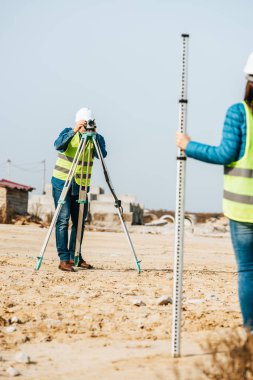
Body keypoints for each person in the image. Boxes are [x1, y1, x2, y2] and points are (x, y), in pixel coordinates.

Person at [176, 53, 253, 331]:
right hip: (242, 210)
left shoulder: (239, 113)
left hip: (242, 209)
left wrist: (188, 145)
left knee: (248, 270)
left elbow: (225, 153)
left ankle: (251, 331)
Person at [51, 107, 107, 272]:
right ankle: (64, 259)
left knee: (80, 222)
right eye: (84, 123)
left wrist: (94, 137)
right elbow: (58, 145)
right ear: (77, 122)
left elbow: (101, 155)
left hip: (81, 185)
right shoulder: (68, 132)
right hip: (62, 182)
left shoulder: (96, 138)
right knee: (62, 220)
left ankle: (76, 256)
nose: (86, 127)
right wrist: (75, 131)